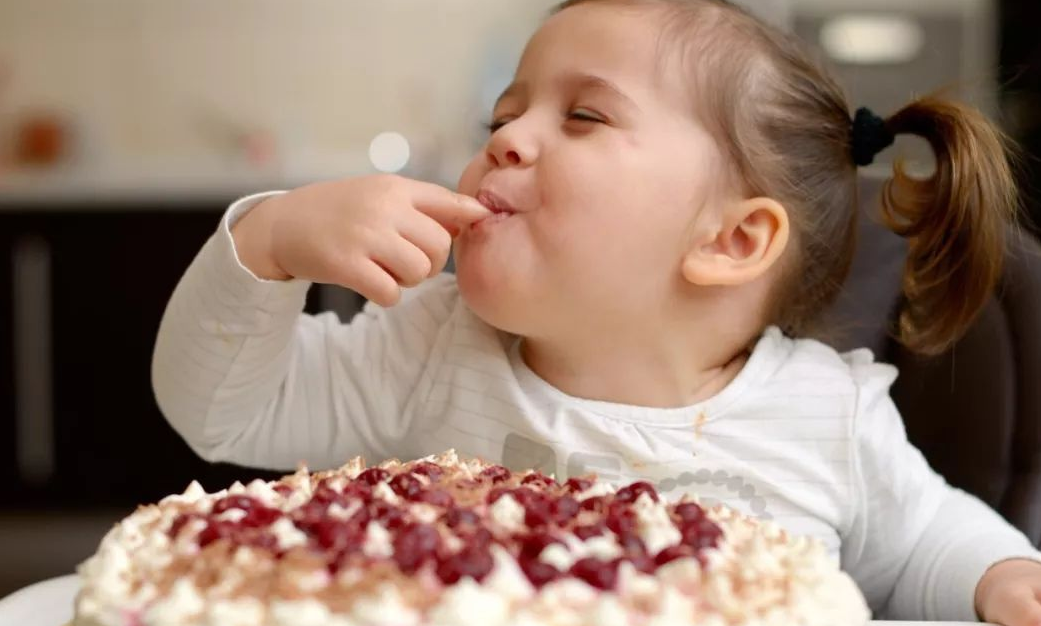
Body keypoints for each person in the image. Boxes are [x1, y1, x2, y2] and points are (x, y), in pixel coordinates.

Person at [152, 0, 1041, 622]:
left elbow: (924, 538)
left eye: (582, 116)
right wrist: (265, 243)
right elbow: (223, 409)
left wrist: (1001, 576)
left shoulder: (827, 417)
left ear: (730, 241)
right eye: (500, 114)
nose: (502, 138)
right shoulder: (428, 349)